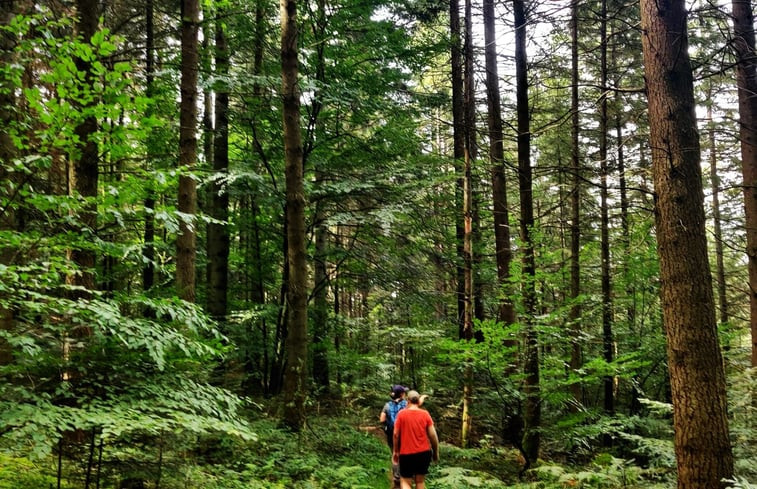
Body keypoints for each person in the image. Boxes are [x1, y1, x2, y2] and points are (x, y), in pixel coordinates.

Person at [392, 390, 439, 489]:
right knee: (420, 482)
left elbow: (396, 434)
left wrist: (396, 451)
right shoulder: (425, 414)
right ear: (418, 401)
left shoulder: (401, 414)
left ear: (407, 400)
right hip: (424, 453)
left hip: (406, 454)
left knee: (405, 482)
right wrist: (435, 452)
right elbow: (433, 435)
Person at [380, 384, 407, 488]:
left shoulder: (387, 405)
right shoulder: (406, 404)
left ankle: (396, 477)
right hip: (404, 433)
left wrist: (388, 423)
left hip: (391, 433)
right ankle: (404, 475)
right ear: (401, 394)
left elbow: (382, 419)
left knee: (395, 453)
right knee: (404, 453)